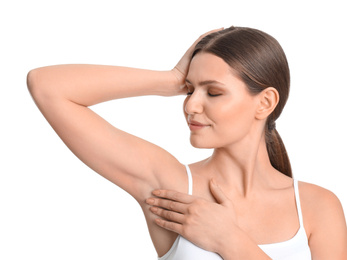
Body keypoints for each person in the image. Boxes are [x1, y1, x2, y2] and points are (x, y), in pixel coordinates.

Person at [27, 26, 347, 259]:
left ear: (264, 103)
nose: (191, 105)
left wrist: (231, 241)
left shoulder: (318, 207)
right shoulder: (172, 186)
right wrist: (168, 79)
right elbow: (47, 86)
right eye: (190, 89)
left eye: (214, 91)